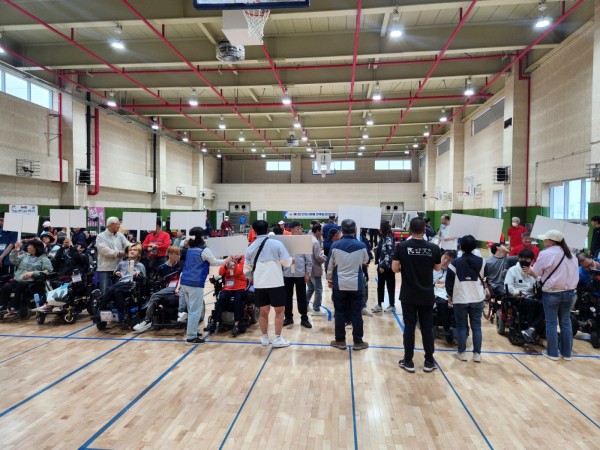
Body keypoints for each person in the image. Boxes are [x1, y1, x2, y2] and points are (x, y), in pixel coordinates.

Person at [393, 217, 441, 373]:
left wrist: (406, 268)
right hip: (427, 294)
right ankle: (429, 361)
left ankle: (408, 361)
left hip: (408, 294)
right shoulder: (434, 248)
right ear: (424, 230)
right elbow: (438, 268)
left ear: (410, 230)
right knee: (427, 327)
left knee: (409, 327)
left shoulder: (402, 246)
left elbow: (394, 268)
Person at [522, 230, 578, 361]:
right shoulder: (572, 255)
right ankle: (567, 354)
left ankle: (552, 353)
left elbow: (536, 273)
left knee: (551, 323)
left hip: (552, 292)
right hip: (570, 293)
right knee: (565, 322)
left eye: (545, 239)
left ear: (552, 241)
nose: (543, 241)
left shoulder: (545, 253)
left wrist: (530, 272)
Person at [244, 220, 293, 348]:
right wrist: (291, 261)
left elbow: (247, 269)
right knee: (279, 311)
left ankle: (265, 338)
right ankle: (277, 338)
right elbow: (286, 262)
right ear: (267, 230)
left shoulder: (250, 247)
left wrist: (250, 278)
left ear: (254, 231)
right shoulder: (277, 244)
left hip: (260, 284)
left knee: (263, 312)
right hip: (276, 282)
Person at [176, 227, 226, 345]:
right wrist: (227, 260)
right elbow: (214, 262)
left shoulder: (189, 249)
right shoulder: (203, 250)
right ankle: (191, 337)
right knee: (195, 311)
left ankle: (192, 331)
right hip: (195, 283)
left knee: (191, 309)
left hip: (185, 282)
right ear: (202, 237)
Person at [326, 219, 369, 351]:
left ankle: (340, 340)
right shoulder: (361, 245)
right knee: (356, 313)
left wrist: (329, 280)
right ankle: (358, 341)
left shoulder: (335, 245)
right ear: (355, 230)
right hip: (356, 284)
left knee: (339, 312)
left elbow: (329, 265)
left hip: (339, 284)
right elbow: (366, 260)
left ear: (342, 231)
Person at [445, 235, 486, 362]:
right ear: (474, 246)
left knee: (462, 327)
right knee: (476, 327)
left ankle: (461, 353)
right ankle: (477, 354)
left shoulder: (455, 263)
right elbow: (486, 276)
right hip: (477, 297)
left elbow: (449, 282)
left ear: (461, 246)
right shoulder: (482, 261)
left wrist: (450, 295)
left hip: (460, 298)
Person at [133, 246, 183, 332]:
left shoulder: (181, 265)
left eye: (179, 254)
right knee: (154, 295)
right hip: (167, 287)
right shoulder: (161, 268)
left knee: (156, 295)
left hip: (179, 286)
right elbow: (158, 281)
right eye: (176, 254)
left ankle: (147, 319)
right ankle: (147, 319)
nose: (178, 256)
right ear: (170, 254)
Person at [91, 244, 146, 318]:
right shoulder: (122, 263)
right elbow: (116, 271)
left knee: (115, 290)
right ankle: (102, 312)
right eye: (130, 250)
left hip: (131, 284)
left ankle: (121, 313)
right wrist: (116, 272)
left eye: (135, 250)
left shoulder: (140, 265)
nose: (132, 251)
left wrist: (138, 274)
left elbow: (143, 279)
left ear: (139, 254)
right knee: (112, 290)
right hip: (121, 283)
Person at [0, 239, 53, 315]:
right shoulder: (25, 255)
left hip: (33, 281)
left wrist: (33, 273)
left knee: (20, 286)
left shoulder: (44, 259)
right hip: (19, 279)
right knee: (6, 286)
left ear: (36, 248)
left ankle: (16, 307)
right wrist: (15, 250)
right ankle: (3, 306)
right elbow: (14, 261)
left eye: (30, 246)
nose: (27, 247)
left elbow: (48, 271)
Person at [504, 248, 544, 343]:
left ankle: (532, 329)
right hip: (518, 298)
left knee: (543, 304)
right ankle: (532, 329)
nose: (523, 261)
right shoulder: (512, 270)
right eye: (521, 258)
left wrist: (534, 275)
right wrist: (518, 293)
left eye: (527, 259)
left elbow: (542, 284)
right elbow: (508, 286)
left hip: (532, 297)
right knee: (532, 304)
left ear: (532, 260)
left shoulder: (533, 271)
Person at [283, 221, 312, 328]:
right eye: (298, 228)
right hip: (287, 273)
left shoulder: (304, 241)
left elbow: (308, 259)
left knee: (302, 296)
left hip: (300, 273)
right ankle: (288, 317)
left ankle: (304, 318)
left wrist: (307, 273)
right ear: (291, 229)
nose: (300, 230)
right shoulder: (285, 241)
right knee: (287, 296)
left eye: (300, 228)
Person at [210, 255, 247, 337]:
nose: (235, 255)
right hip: (228, 287)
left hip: (240, 286)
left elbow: (239, 272)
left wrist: (234, 264)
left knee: (238, 299)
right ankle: (216, 321)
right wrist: (226, 265)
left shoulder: (243, 260)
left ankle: (236, 323)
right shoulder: (228, 260)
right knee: (221, 298)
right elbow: (220, 272)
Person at [95, 217, 130, 295]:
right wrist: (118, 253)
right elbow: (104, 250)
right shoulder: (100, 236)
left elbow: (127, 244)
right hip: (105, 268)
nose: (119, 226)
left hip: (118, 268)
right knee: (104, 292)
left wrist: (133, 246)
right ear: (111, 225)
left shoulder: (120, 235)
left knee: (118, 292)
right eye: (118, 224)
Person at [433, 250, 457, 343]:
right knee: (443, 303)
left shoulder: (452, 271)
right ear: (441, 257)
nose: (446, 261)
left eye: (449, 260)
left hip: (448, 294)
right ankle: (447, 328)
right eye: (445, 258)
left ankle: (453, 328)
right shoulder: (433, 268)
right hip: (433, 293)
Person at [373, 220, 396, 313]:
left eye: (380, 228)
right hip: (381, 265)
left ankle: (392, 305)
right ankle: (379, 304)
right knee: (380, 285)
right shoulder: (382, 238)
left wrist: (383, 266)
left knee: (390, 286)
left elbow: (390, 254)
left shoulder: (389, 239)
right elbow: (383, 250)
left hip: (388, 268)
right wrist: (377, 249)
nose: (379, 230)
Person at [306, 224, 327, 317]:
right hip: (315, 269)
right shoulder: (315, 242)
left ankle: (304, 305)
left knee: (310, 288)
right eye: (321, 230)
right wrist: (324, 258)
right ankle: (316, 309)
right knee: (318, 289)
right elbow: (318, 257)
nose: (321, 232)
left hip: (308, 268)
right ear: (317, 231)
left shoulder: (308, 239)